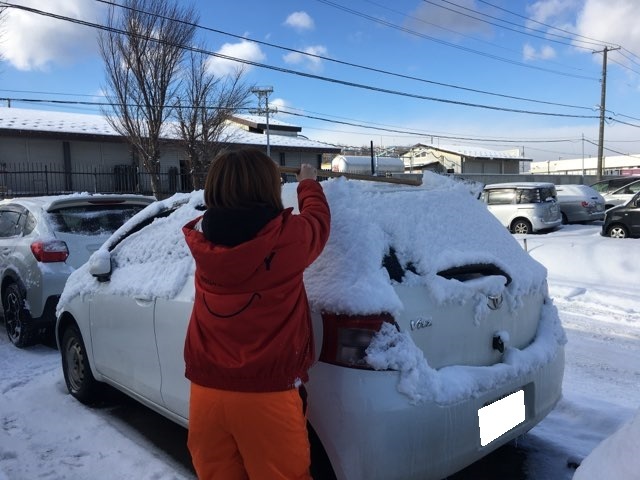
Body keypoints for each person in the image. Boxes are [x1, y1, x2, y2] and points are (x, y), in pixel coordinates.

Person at [182, 147, 331, 480]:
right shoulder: (288, 239)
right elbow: (319, 222)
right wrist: (308, 184)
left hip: (206, 394)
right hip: (267, 396)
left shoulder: (203, 241)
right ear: (268, 188)